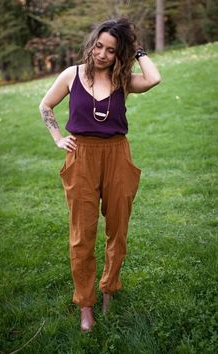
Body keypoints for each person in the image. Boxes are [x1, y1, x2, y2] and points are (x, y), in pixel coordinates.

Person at [39, 17, 161, 332]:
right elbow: (45, 106)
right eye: (99, 46)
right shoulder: (71, 75)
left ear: (119, 53)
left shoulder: (123, 79)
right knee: (82, 235)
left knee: (117, 230)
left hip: (118, 155)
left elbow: (154, 78)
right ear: (92, 43)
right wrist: (57, 138)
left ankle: (109, 289)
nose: (102, 54)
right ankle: (86, 304)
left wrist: (137, 50)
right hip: (81, 157)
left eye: (110, 50)